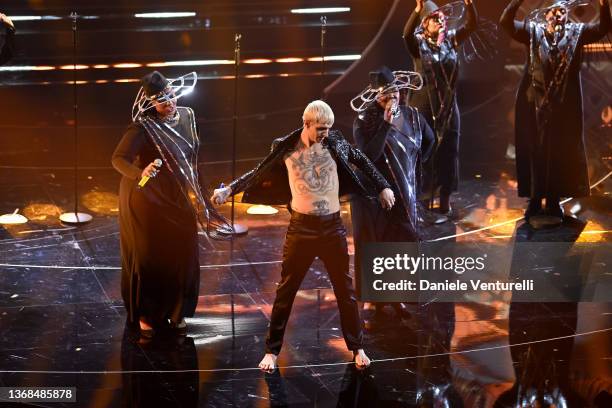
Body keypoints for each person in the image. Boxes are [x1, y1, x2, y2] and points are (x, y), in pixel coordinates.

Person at [212, 100, 395, 371]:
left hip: (332, 227)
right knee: (286, 291)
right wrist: (229, 190)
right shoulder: (286, 148)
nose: (325, 133)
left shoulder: (335, 143)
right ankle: (271, 352)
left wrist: (383, 187)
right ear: (306, 123)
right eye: (321, 128)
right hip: (302, 229)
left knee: (345, 291)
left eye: (329, 128)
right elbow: (258, 171)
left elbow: (363, 160)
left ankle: (357, 347)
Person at [112, 71, 230, 338]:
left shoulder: (187, 116)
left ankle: (176, 311)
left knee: (183, 252)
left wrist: (203, 192)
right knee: (149, 257)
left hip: (176, 195)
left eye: (171, 97)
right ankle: (147, 313)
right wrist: (139, 173)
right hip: (145, 196)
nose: (169, 104)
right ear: (151, 102)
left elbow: (193, 158)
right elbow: (118, 159)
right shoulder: (143, 126)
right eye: (162, 100)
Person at [500, 0, 611, 224]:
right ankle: (533, 200)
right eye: (553, 11)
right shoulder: (533, 32)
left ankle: (552, 202)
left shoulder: (576, 33)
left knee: (559, 153)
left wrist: (603, 5)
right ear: (545, 15)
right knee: (535, 152)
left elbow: (602, 28)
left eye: (562, 11)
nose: (558, 15)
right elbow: (506, 23)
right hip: (535, 104)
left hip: (563, 107)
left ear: (566, 15)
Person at [350, 66, 435, 318]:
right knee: (374, 245)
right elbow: (368, 155)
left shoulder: (412, 116)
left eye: (395, 92)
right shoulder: (365, 119)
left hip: (400, 193)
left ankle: (396, 297)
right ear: (377, 97)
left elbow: (429, 141)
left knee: (399, 244)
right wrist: (385, 125)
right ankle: (374, 300)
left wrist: (413, 168)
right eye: (387, 94)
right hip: (371, 194)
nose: (393, 98)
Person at [403, 0, 478, 217]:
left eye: (442, 18)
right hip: (424, 103)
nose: (440, 20)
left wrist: (470, 5)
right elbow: (406, 35)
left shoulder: (451, 41)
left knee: (449, 150)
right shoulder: (418, 44)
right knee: (425, 150)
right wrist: (416, 11)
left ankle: (445, 196)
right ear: (425, 23)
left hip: (448, 103)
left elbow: (472, 26)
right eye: (435, 18)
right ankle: (423, 196)